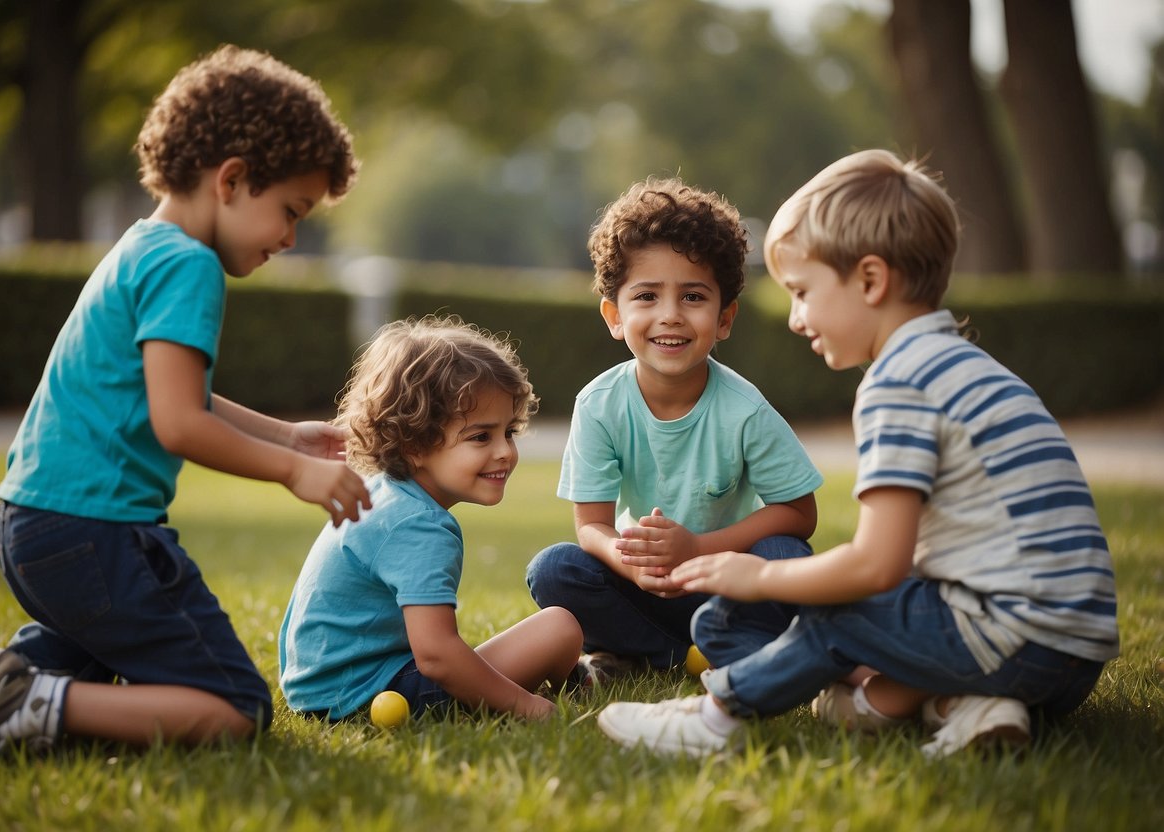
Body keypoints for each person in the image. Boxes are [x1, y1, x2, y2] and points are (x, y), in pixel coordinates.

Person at [596, 149, 1120, 758]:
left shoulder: (899, 383)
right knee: (773, 618)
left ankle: (713, 721)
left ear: (870, 280)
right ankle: (968, 705)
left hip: (1009, 637)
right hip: (1071, 658)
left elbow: (877, 566)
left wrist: (763, 574)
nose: (796, 318)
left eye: (802, 291)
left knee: (834, 613)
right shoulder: (976, 370)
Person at [0, 45, 371, 755]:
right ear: (232, 179)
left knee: (100, 651)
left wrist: (286, 436)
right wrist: (293, 472)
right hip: (94, 535)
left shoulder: (144, 247)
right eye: (289, 211)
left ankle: (16, 690)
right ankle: (34, 699)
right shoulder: (189, 266)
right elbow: (178, 422)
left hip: (38, 525)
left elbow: (175, 394)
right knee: (232, 707)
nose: (292, 239)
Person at [526, 177, 822, 682]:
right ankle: (674, 654)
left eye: (692, 297)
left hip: (724, 582)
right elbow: (591, 527)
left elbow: (799, 515)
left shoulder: (744, 410)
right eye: (646, 296)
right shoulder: (599, 405)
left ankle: (697, 647)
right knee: (555, 568)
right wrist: (633, 564)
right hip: (645, 586)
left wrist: (698, 549)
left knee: (784, 556)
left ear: (724, 318)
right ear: (614, 316)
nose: (670, 316)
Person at [279, 316, 583, 723]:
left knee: (552, 635)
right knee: (558, 629)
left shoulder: (379, 493)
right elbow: (438, 657)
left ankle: (575, 680)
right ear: (414, 444)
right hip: (366, 698)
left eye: (509, 431)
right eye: (480, 437)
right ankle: (568, 686)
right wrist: (523, 705)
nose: (505, 452)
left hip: (317, 690)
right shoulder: (418, 525)